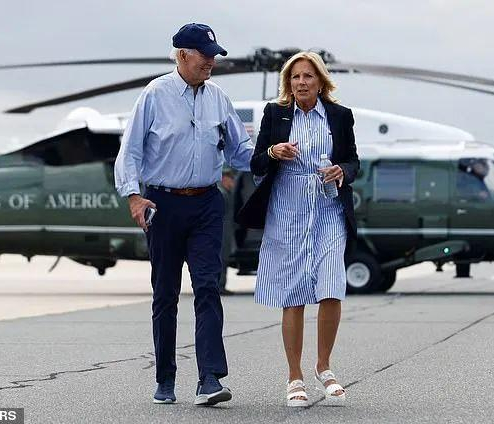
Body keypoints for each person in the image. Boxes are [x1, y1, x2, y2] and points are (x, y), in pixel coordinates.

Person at [114, 23, 253, 406]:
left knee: (208, 287)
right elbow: (130, 152)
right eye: (205, 55)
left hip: (207, 203)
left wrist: (273, 156)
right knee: (165, 294)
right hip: (163, 204)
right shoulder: (154, 95)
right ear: (182, 55)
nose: (211, 62)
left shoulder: (218, 97)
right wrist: (133, 197)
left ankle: (209, 379)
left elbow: (239, 151)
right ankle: (165, 378)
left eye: (214, 56)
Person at [237, 51, 359, 407]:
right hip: (287, 208)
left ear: (320, 81)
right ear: (288, 83)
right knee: (293, 292)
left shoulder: (340, 115)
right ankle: (294, 376)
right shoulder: (275, 113)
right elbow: (256, 162)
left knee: (331, 284)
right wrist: (273, 152)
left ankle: (324, 366)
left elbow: (353, 161)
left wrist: (342, 171)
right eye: (295, 77)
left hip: (327, 207)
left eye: (307, 76)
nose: (301, 82)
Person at [218, 166, 236, 295]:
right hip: (222, 232)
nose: (233, 183)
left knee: (223, 259)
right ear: (224, 179)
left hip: (226, 232)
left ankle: (221, 285)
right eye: (231, 179)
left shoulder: (225, 192)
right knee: (221, 259)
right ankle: (219, 286)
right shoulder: (222, 193)